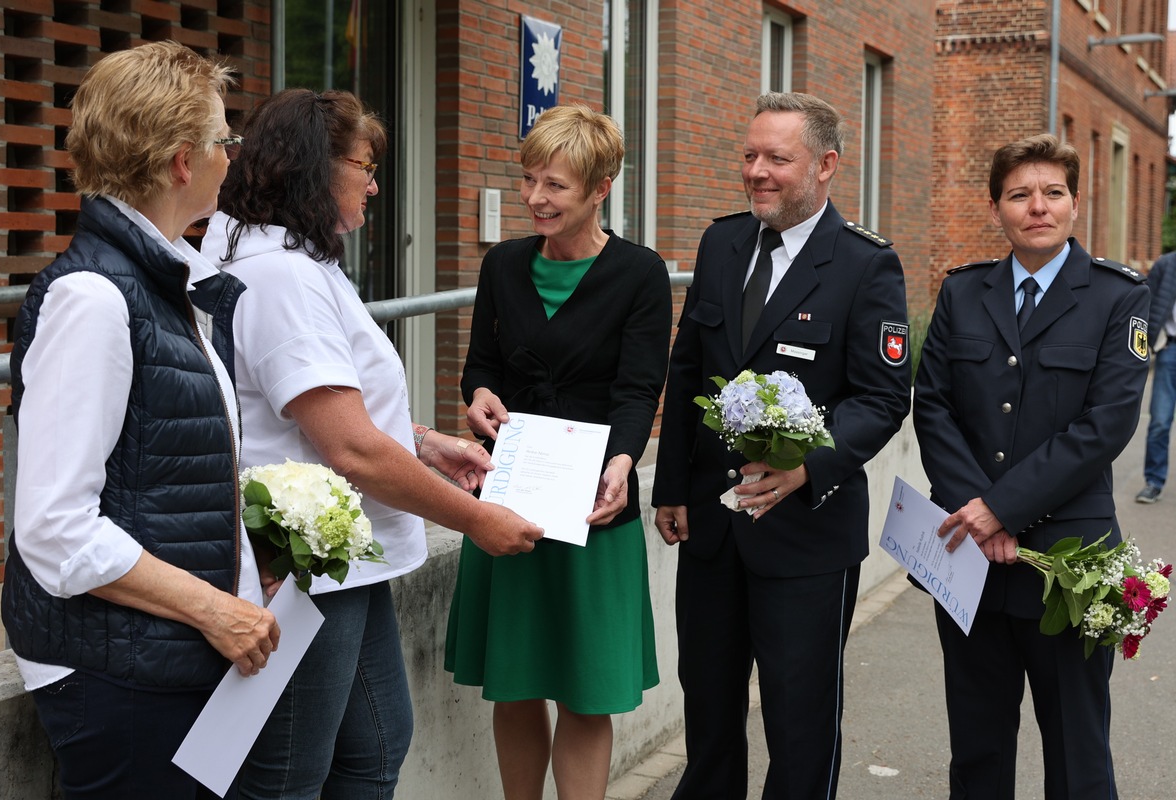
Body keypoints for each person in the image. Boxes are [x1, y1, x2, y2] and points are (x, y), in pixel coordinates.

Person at [202, 88, 543, 800]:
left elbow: (323, 408)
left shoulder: (291, 256)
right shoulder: (283, 276)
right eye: (365, 164)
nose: (375, 182)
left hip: (340, 557)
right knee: (292, 775)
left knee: (376, 745)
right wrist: (477, 519)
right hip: (309, 562)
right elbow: (350, 447)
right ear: (313, 169)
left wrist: (419, 441)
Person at [0, 41, 280, 800]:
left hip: (161, 657)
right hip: (118, 675)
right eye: (226, 139)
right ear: (182, 162)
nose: (235, 155)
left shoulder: (158, 284)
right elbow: (56, 526)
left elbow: (167, 473)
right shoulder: (95, 298)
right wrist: (216, 609)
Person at [652, 91, 911, 799]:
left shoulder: (865, 265)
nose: (757, 172)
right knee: (707, 706)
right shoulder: (721, 242)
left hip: (805, 536)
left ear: (826, 165)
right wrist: (671, 485)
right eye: (749, 155)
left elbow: (883, 398)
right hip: (710, 526)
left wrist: (806, 469)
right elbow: (687, 367)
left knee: (798, 724)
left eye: (778, 158)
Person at [443, 104, 671, 800]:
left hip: (595, 500)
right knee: (514, 686)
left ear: (600, 189)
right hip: (507, 492)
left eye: (557, 186)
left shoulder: (639, 273)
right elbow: (479, 362)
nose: (537, 198)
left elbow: (638, 389)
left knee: (585, 692)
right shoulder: (503, 265)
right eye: (530, 180)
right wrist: (478, 392)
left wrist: (625, 463)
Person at [914, 134, 1150, 799]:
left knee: (1078, 753)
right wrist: (977, 514)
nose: (1037, 207)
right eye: (1020, 194)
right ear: (997, 209)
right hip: (969, 561)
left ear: (1075, 204)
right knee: (978, 750)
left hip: (1069, 565)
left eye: (1052, 192)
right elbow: (932, 408)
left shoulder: (1116, 298)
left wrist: (1000, 508)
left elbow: (1105, 426)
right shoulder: (963, 293)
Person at [1135, 250, 1176, 503]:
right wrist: (1149, 342)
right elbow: (1145, 303)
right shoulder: (1166, 264)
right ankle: (1153, 481)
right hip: (1169, 349)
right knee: (1160, 420)